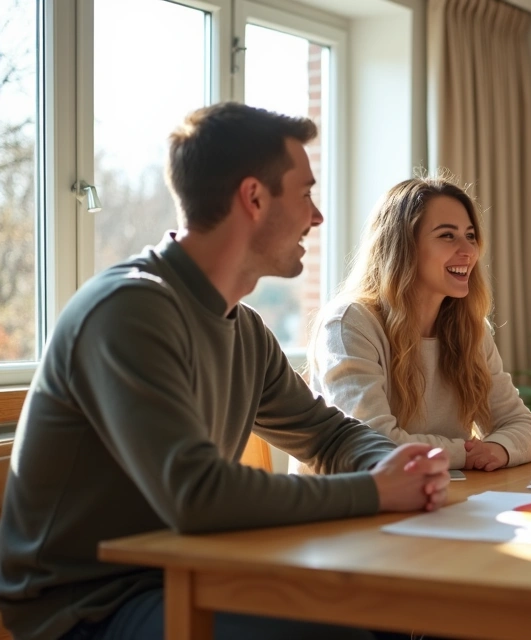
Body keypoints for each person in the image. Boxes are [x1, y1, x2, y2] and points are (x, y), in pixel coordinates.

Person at [0, 102, 450, 640]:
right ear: (253, 198)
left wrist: (396, 463)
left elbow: (328, 434)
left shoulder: (244, 329)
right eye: (305, 194)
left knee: (397, 611)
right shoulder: (129, 311)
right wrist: (377, 490)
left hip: (189, 567)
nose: (317, 217)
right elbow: (197, 494)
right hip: (89, 607)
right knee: (344, 633)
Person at [302, 177, 531, 473]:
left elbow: (523, 425)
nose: (469, 251)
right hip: (350, 499)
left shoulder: (470, 329)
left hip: (439, 493)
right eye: (447, 235)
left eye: (470, 236)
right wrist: (466, 453)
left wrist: (498, 449)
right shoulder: (349, 323)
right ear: (403, 246)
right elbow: (374, 444)